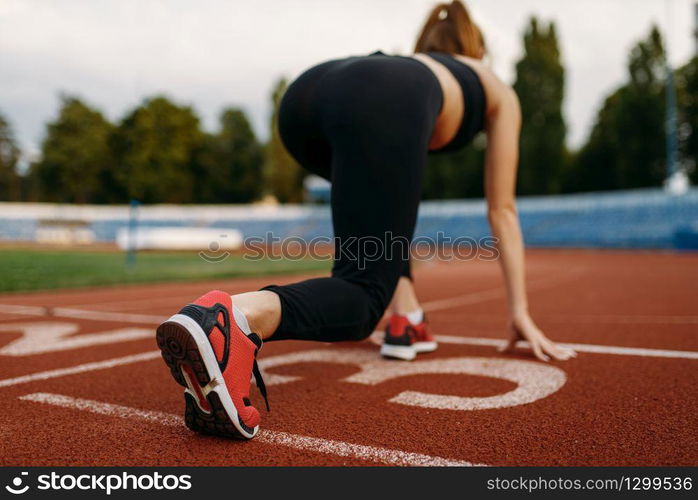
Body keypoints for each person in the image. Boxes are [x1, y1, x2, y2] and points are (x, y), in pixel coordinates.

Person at [155, 0, 576, 440]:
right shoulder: (497, 89)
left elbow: (391, 204)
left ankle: (406, 317)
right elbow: (502, 209)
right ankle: (233, 317)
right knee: (360, 299)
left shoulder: (417, 66)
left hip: (308, 98)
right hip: (377, 101)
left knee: (382, 214)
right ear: (479, 52)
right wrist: (519, 311)